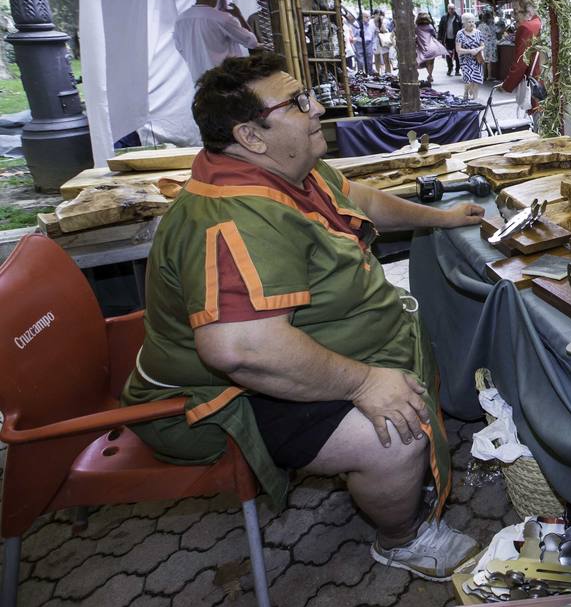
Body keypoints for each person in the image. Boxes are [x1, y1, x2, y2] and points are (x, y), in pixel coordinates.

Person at [122, 52, 487, 580]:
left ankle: (394, 483)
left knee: (400, 397)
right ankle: (402, 539)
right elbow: (240, 351)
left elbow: (358, 200)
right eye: (297, 103)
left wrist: (441, 218)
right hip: (223, 397)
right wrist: (364, 383)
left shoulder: (289, 168)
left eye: (307, 95)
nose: (316, 108)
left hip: (267, 362)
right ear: (251, 136)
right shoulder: (234, 217)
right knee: (394, 436)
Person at [173, 0, 259, 84]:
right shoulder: (222, 18)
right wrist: (239, 16)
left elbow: (181, 49)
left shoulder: (180, 21)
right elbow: (251, 42)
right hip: (227, 80)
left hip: (201, 82)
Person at [501, 0, 543, 118]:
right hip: (548, 85)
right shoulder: (541, 24)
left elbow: (521, 62)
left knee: (539, 124)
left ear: (528, 11)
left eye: (516, 11)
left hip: (537, 87)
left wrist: (507, 85)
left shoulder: (526, 28)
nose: (514, 16)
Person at [455, 12, 485, 101]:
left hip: (477, 59)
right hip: (465, 60)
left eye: (473, 21)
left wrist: (477, 49)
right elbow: (458, 49)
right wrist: (470, 51)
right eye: (469, 22)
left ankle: (475, 98)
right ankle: (466, 91)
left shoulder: (478, 33)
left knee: (477, 79)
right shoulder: (460, 34)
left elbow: (483, 45)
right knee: (468, 78)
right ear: (464, 23)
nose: (471, 23)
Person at [414, 11, 449, 87]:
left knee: (420, 61)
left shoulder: (416, 27)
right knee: (430, 62)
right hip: (431, 47)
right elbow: (434, 34)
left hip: (421, 47)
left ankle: (418, 75)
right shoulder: (430, 26)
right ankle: (430, 75)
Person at [437, 7, 460, 77]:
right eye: (450, 8)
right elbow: (440, 28)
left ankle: (457, 70)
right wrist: (439, 38)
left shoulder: (458, 17)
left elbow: (461, 28)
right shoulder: (444, 18)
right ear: (448, 9)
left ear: (454, 9)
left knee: (457, 55)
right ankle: (450, 69)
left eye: (452, 8)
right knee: (448, 54)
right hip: (447, 39)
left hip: (456, 40)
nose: (451, 10)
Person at [372, 10, 393, 76]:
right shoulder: (371, 22)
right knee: (377, 58)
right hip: (375, 43)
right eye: (377, 14)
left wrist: (381, 22)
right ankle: (377, 73)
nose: (378, 16)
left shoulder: (384, 21)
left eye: (379, 14)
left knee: (386, 58)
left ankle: (388, 73)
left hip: (383, 41)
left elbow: (385, 31)